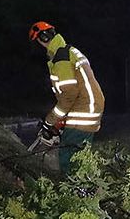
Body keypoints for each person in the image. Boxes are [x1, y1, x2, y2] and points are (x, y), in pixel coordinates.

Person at [28, 21, 104, 174]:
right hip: (89, 107)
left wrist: (50, 121)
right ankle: (85, 191)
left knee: (68, 159)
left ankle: (74, 193)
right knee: (81, 159)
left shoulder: (61, 59)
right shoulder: (69, 51)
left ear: (42, 39)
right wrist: (60, 123)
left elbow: (69, 96)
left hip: (83, 110)